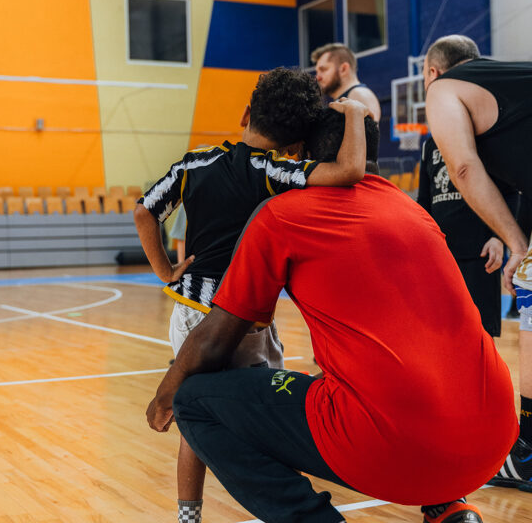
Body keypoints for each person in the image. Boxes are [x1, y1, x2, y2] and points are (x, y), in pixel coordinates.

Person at [147, 108, 517, 523]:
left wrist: (165, 396)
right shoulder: (416, 213)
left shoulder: (282, 214)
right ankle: (451, 508)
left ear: (304, 157)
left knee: (193, 399)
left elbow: (215, 340)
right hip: (494, 436)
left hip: (393, 449)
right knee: (404, 377)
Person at [135, 67, 368, 523]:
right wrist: (356, 113)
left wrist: (166, 271)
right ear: (293, 144)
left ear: (246, 113)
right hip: (241, 319)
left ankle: (188, 517)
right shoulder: (273, 169)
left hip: (189, 311)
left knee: (194, 416)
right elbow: (350, 170)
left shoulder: (194, 162)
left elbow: (145, 212)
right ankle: (283, 508)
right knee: (268, 416)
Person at [423, 34, 532, 490]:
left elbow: (464, 169)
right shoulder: (507, 84)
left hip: (477, 247)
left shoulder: (443, 90)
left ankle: (527, 454)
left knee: (530, 310)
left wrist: (516, 245)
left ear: (431, 72)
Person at [418, 136, 518, 337]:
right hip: (441, 255)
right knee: (442, 333)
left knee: (481, 334)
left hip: (480, 254)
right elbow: (424, 200)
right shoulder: (429, 145)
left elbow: (510, 192)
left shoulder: (486, 137)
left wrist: (498, 237)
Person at [311, 42, 381, 122]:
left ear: (343, 69)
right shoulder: (346, 99)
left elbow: (369, 130)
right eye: (317, 72)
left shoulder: (360, 94)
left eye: (323, 69)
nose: (317, 77)